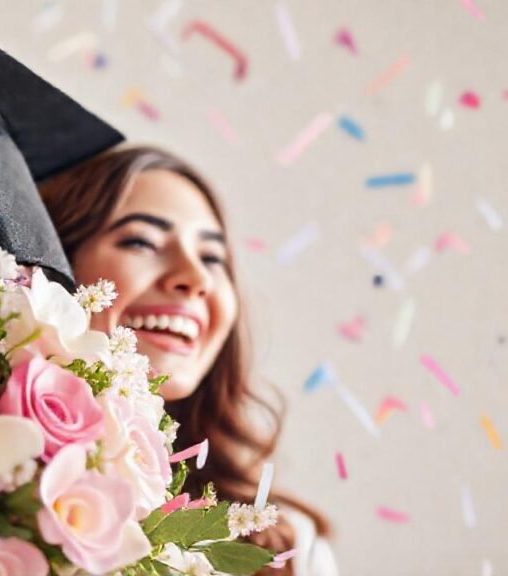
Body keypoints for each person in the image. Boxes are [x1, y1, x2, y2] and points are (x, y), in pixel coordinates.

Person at [39, 146, 339, 576]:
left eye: (213, 258)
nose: (196, 278)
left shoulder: (289, 551)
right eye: (142, 241)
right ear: (56, 265)